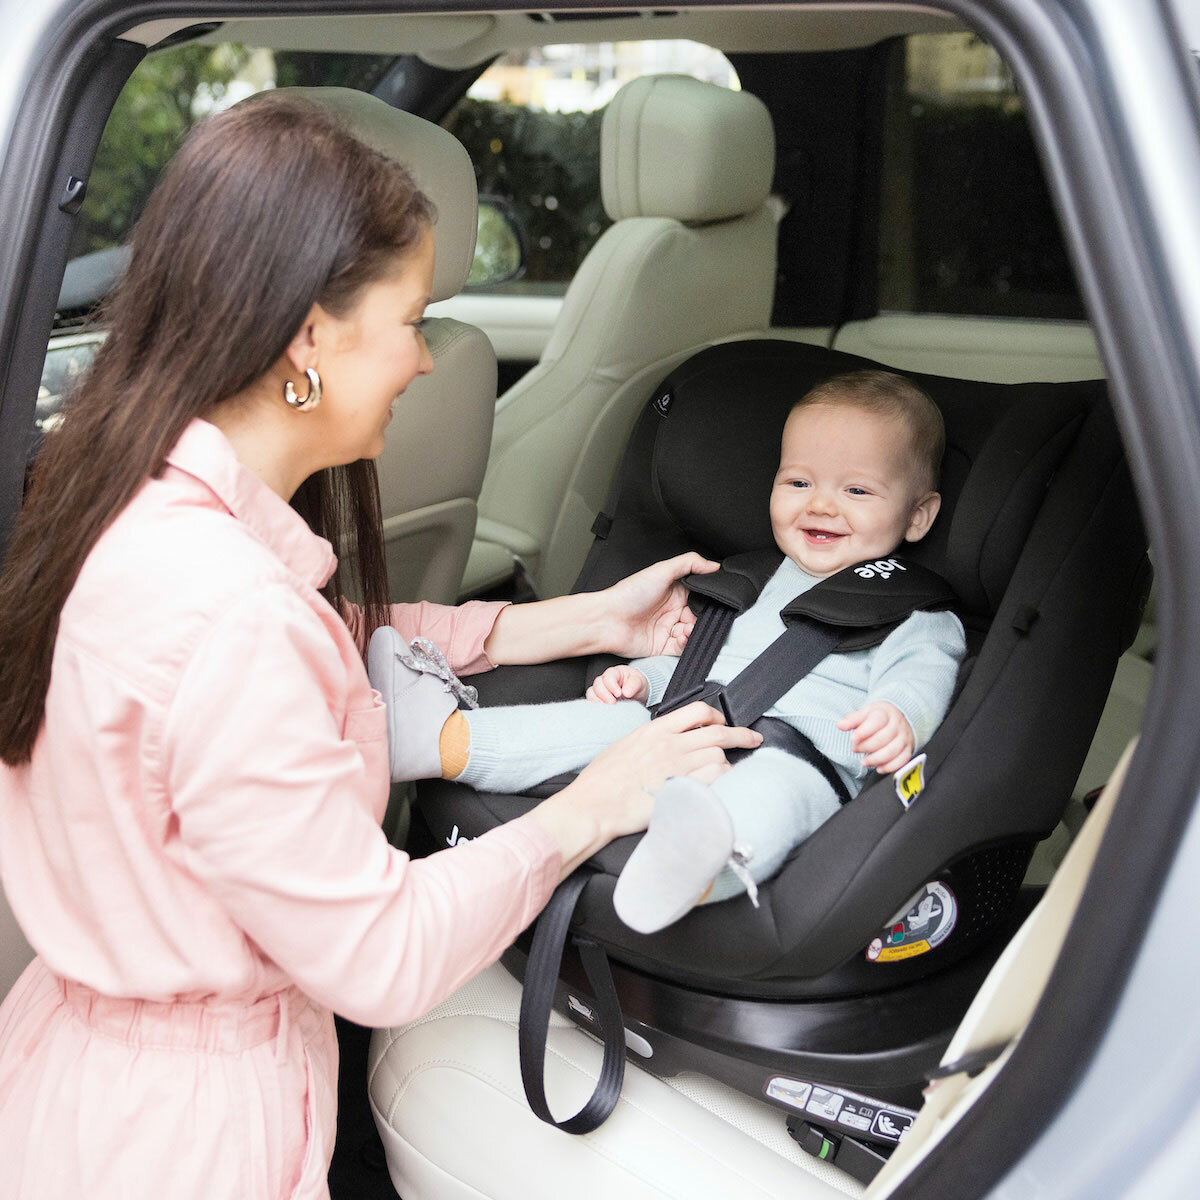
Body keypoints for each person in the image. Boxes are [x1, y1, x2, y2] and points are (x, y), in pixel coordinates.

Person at [0, 95, 761, 1200]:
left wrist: (591, 619)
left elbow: (332, 646)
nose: (423, 361)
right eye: (413, 320)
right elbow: (382, 956)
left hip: (70, 1079)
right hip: (187, 1142)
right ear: (310, 337)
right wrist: (600, 797)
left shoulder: (132, 506)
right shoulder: (233, 617)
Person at [370, 370, 968, 933]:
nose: (820, 505)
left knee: (774, 798)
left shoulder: (916, 613)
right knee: (589, 723)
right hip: (681, 723)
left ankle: (688, 867)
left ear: (918, 516)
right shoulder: (753, 578)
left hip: (797, 752)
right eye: (798, 482)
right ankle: (433, 740)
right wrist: (643, 681)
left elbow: (921, 678)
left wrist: (898, 717)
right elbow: (703, 666)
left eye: (857, 489)